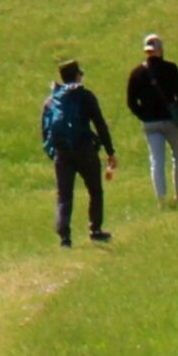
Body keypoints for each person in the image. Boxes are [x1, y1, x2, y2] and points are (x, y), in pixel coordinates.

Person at [42, 59, 115, 245]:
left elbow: (45, 130)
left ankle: (64, 237)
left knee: (64, 195)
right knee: (95, 190)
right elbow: (99, 124)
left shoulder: (51, 100)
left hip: (62, 152)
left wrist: (53, 152)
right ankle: (95, 229)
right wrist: (110, 151)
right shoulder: (85, 96)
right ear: (77, 76)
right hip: (84, 149)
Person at [125, 32, 178, 204]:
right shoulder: (171, 69)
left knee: (156, 160)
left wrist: (144, 115)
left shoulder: (136, 73)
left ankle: (161, 199)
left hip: (150, 124)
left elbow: (131, 102)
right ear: (161, 50)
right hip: (172, 121)